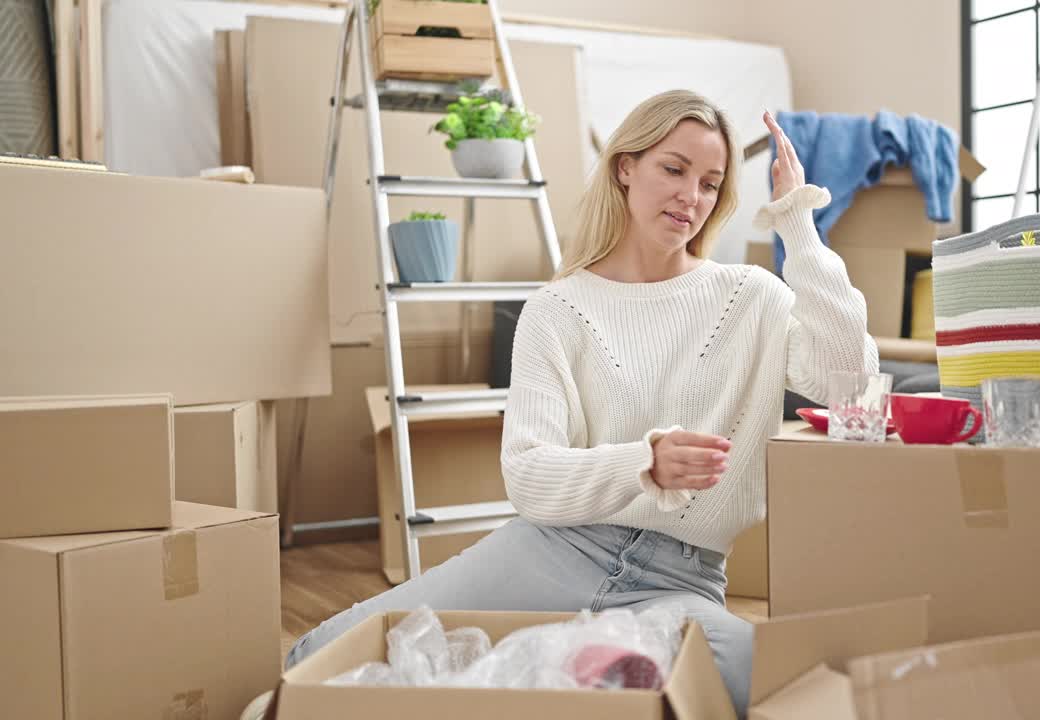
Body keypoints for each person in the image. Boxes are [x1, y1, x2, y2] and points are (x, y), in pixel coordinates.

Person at [281, 89, 877, 718]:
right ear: (626, 166)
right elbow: (529, 475)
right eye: (673, 170)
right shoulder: (557, 310)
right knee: (322, 659)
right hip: (553, 553)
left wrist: (796, 222)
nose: (691, 197)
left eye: (710, 183)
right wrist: (641, 465)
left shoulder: (752, 297)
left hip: (681, 584)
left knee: (799, 685)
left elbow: (848, 381)